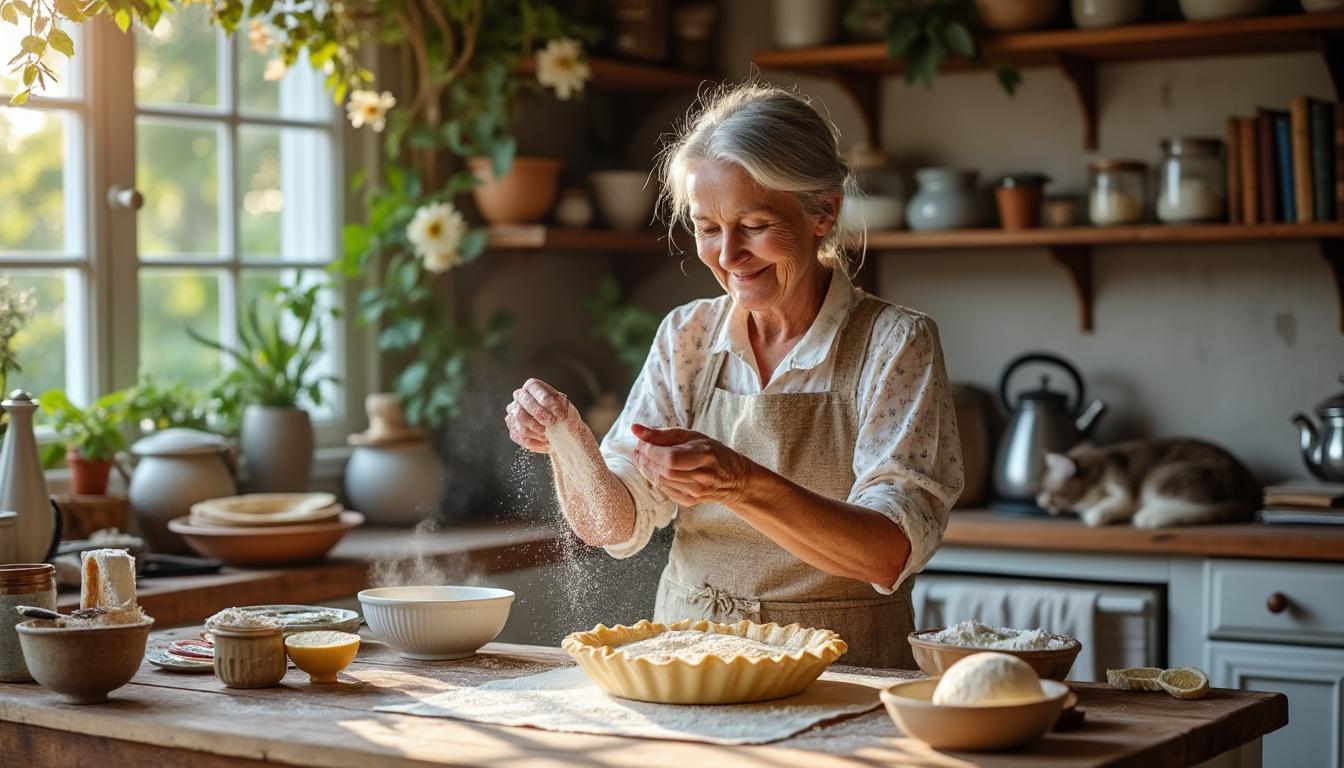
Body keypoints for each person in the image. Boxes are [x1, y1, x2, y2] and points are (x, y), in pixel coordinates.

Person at [504, 82, 963, 668]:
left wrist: (740, 483)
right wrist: (570, 444)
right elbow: (612, 526)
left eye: (753, 225)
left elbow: (888, 552)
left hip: (844, 667)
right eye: (707, 227)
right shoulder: (687, 337)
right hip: (692, 659)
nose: (727, 255)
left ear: (823, 212)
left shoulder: (895, 343)